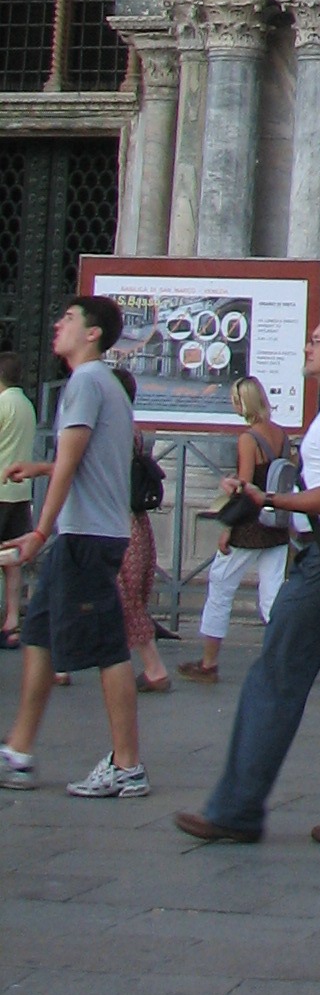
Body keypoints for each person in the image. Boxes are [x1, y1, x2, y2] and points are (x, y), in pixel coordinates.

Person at [174, 314, 320, 847]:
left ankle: (236, 809)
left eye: (317, 341)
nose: (308, 347)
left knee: (273, 679)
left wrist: (269, 499)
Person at [0, 295, 147, 798]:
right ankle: (18, 751)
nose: (57, 324)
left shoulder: (85, 381)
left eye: (68, 318)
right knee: (38, 634)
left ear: (92, 334)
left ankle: (127, 766)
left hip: (86, 535)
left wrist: (40, 530)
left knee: (108, 649)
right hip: (86, 532)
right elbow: (87, 461)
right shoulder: (101, 384)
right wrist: (42, 470)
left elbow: (71, 459)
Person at [180, 375, 290, 683]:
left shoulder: (248, 438)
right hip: (277, 523)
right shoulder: (281, 435)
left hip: (250, 525)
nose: (233, 404)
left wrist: (228, 526)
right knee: (272, 597)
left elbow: (245, 487)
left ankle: (209, 662)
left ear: (245, 403)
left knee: (221, 585)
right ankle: (283, 664)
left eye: (236, 399)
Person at [110, 368, 170, 694]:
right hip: (132, 520)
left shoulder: (115, 429)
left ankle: (153, 666)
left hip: (115, 520)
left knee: (125, 593)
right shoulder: (134, 429)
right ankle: (58, 660)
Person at [0, 349, 34, 647]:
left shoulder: (3, 403)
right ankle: (12, 621)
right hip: (20, 493)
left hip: (0, 488)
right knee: (11, 560)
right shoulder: (26, 404)